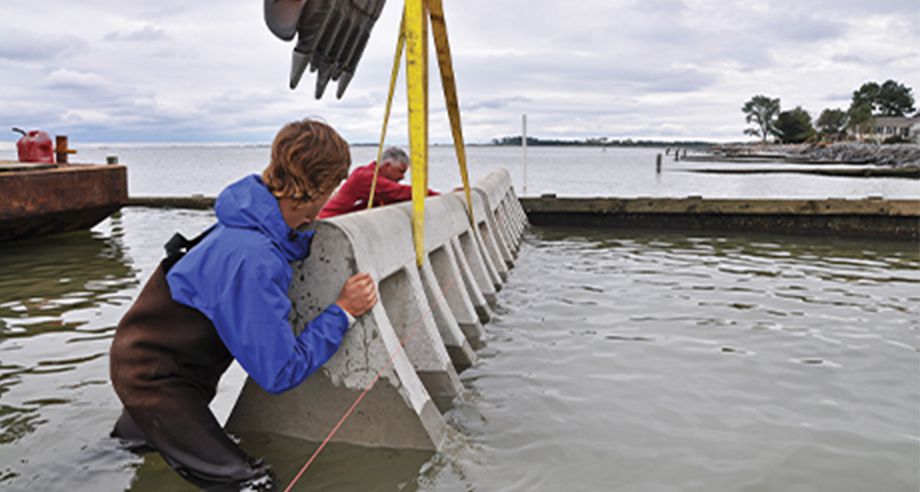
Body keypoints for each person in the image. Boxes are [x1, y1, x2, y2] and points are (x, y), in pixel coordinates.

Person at [109, 118, 378, 490]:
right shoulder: (254, 258)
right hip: (158, 382)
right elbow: (279, 372)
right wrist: (343, 311)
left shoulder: (245, 220)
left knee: (125, 453)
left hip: (143, 362)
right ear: (322, 189)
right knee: (255, 484)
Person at [318, 146, 439, 219]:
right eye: (400, 171)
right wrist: (439, 196)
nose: (402, 177)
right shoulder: (366, 177)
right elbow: (399, 192)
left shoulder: (369, 175)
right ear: (387, 166)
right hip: (329, 222)